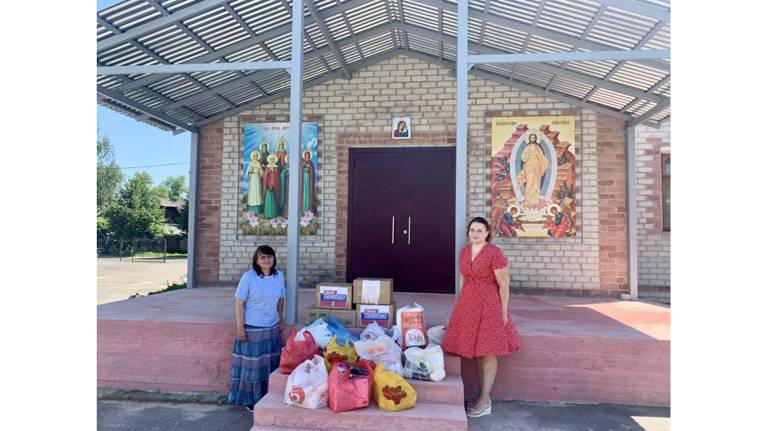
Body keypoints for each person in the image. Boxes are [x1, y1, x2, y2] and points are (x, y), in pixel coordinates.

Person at [441, 217, 523, 418]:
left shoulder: (494, 253)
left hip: (489, 305)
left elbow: (504, 285)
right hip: (469, 304)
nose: (475, 234)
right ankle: (481, 397)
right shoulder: (465, 252)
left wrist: (503, 313)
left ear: (487, 233)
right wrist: (458, 309)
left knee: (487, 351)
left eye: (480, 230)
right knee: (478, 350)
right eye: (472, 230)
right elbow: (462, 280)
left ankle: (485, 399)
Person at [228, 245, 286, 412]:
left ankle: (268, 396)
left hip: (272, 327)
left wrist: (280, 320)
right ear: (256, 260)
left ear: (274, 259)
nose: (267, 260)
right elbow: (239, 302)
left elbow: (281, 299)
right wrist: (240, 328)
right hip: (253, 328)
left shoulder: (279, 276)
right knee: (253, 367)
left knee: (269, 364)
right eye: (262, 258)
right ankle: (251, 400)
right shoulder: (249, 277)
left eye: (269, 257)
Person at [517, 133, 549, 206]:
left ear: (535, 139)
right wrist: (527, 155)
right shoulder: (527, 147)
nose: (532, 139)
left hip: (537, 165)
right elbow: (522, 157)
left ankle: (535, 200)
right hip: (529, 165)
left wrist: (545, 163)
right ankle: (528, 200)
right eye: (531, 138)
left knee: (536, 182)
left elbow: (541, 156)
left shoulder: (538, 147)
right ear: (529, 139)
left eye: (533, 138)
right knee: (530, 181)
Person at [262, 154, 281, 219]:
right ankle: (267, 214)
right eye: (271, 159)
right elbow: (265, 176)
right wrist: (268, 171)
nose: (272, 160)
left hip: (274, 186)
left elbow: (277, 176)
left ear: (275, 160)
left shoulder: (276, 167)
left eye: (273, 159)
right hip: (267, 186)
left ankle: (273, 214)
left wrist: (274, 171)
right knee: (268, 200)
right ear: (269, 160)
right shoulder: (267, 167)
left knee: (273, 200)